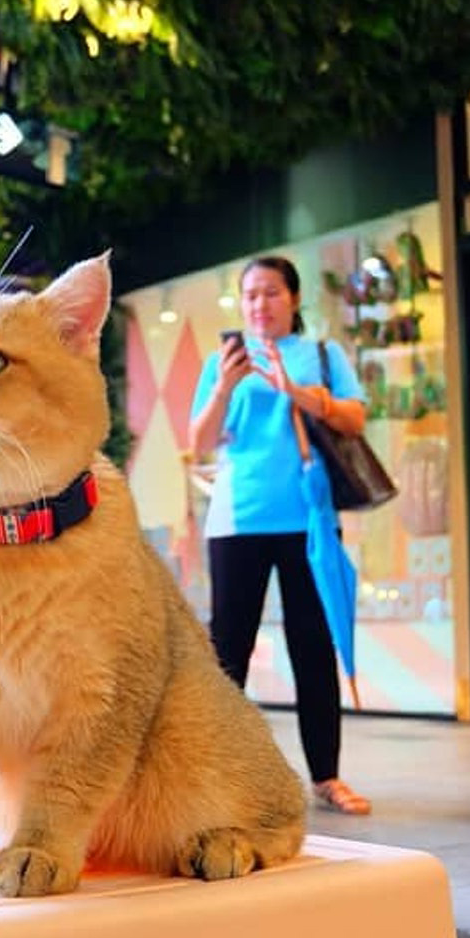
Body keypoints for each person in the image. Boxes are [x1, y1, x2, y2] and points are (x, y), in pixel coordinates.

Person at [188, 256, 373, 815]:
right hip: (238, 519)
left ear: (293, 298)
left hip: (308, 517)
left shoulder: (322, 354)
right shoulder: (224, 361)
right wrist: (225, 386)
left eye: (270, 292)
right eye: (249, 295)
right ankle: (213, 779)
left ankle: (327, 777)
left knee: (313, 647)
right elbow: (200, 442)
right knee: (228, 651)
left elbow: (354, 419)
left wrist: (296, 390)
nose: (259, 304)